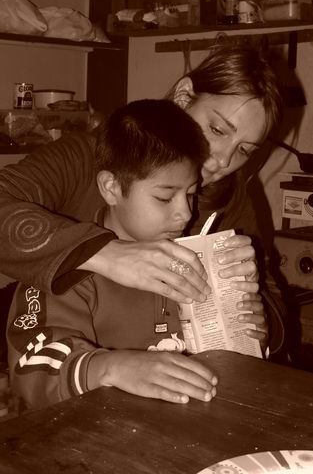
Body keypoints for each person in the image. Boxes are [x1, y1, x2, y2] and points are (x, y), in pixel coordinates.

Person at [0, 45, 283, 364]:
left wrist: (261, 320)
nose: (222, 160)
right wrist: (102, 253)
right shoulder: (88, 158)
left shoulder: (230, 198)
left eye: (245, 150)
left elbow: (271, 300)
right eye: (217, 129)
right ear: (183, 96)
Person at [7, 99, 217, 409]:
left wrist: (245, 324)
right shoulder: (64, 266)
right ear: (111, 188)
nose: (185, 213)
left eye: (190, 194)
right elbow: (31, 368)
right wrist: (111, 368)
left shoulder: (190, 258)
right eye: (164, 197)